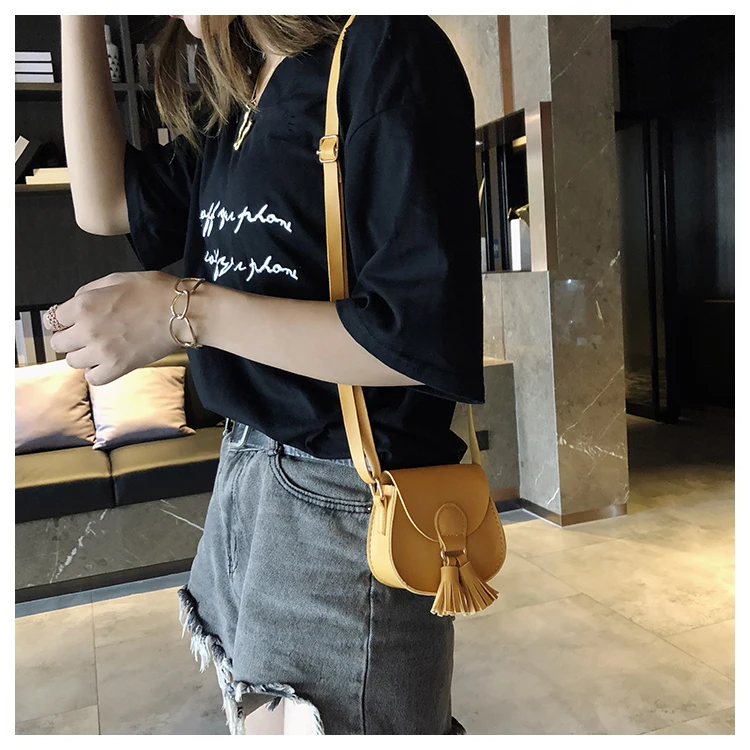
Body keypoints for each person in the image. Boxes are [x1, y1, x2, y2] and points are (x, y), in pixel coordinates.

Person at [54, 14, 484, 735]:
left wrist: (183, 312)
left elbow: (411, 343)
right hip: (246, 479)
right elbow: (103, 204)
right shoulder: (239, 87)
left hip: (346, 498)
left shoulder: (383, 49)